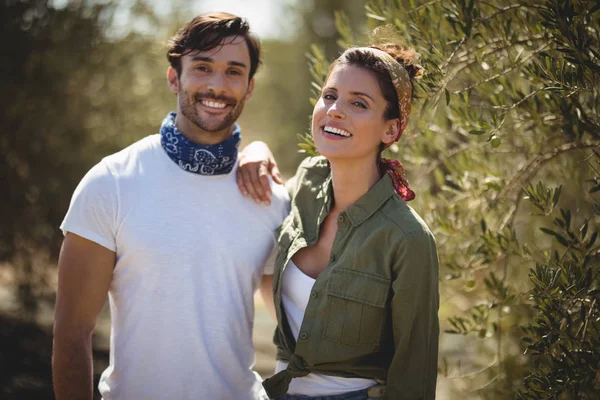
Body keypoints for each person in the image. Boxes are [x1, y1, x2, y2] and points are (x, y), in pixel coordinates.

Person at [52, 12, 289, 400]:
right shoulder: (111, 182)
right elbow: (71, 331)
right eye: (202, 67)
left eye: (233, 72)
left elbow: (294, 328)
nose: (217, 84)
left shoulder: (271, 197)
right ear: (174, 77)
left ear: (249, 88)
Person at [239, 40, 440, 400]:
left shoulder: (407, 238)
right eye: (330, 95)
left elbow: (414, 376)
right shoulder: (305, 183)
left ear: (391, 130)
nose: (334, 110)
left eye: (358, 103)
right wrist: (254, 148)